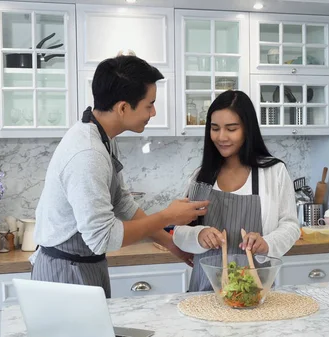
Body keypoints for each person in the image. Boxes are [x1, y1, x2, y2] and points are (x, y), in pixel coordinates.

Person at [30, 55, 209, 297]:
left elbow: (122, 201)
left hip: (85, 265)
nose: (153, 112)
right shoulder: (88, 154)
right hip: (65, 273)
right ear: (123, 107)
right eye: (149, 104)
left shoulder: (103, 137)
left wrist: (170, 244)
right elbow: (103, 238)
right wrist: (167, 216)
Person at [172, 90, 300, 292]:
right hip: (204, 290)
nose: (221, 137)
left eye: (231, 129)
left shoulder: (273, 172)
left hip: (255, 290)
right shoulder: (201, 176)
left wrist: (266, 243)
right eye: (215, 128)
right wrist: (199, 235)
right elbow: (179, 232)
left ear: (247, 129)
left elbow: (291, 226)